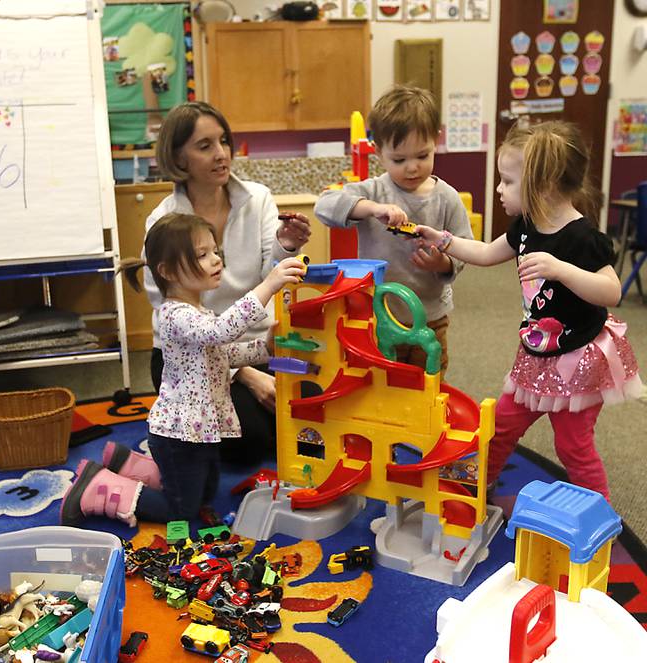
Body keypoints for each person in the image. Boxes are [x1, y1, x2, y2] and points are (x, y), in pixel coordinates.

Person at [413, 120, 643, 500]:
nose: (500, 190)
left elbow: (611, 291)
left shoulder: (582, 237)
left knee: (573, 446)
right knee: (501, 426)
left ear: (543, 183)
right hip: (536, 354)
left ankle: (597, 512)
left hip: (576, 363)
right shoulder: (526, 226)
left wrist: (561, 269)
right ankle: (476, 484)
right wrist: (444, 240)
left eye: (507, 181)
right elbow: (487, 254)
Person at [60, 213, 305, 527]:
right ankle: (97, 486)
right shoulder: (175, 315)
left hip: (201, 430)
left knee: (206, 492)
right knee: (183, 511)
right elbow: (221, 331)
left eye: (215, 251)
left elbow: (223, 355)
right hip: (179, 435)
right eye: (202, 255)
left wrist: (265, 348)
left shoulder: (198, 311)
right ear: (168, 271)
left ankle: (132, 465)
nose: (215, 259)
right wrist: (268, 285)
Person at [144, 101, 311, 464]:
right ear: (179, 158)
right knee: (248, 443)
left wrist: (286, 245)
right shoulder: (163, 222)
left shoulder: (257, 198)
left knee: (311, 409)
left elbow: (273, 271)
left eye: (224, 141)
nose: (222, 154)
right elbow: (169, 314)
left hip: (252, 346)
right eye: (205, 146)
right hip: (190, 360)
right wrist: (246, 376)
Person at [314, 85, 473, 373]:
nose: (412, 168)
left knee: (429, 385)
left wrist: (443, 262)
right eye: (399, 160)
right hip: (380, 316)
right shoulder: (373, 191)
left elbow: (466, 246)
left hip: (430, 317)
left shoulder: (446, 197)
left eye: (422, 156)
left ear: (436, 141)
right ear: (379, 152)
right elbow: (324, 205)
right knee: (384, 385)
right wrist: (373, 209)